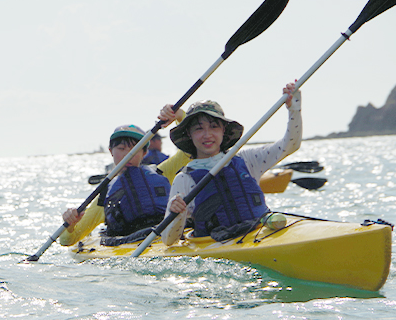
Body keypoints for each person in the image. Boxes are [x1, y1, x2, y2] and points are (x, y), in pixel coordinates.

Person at [162, 81, 302, 245]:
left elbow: (290, 145)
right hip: (212, 245)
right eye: (199, 129)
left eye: (214, 127)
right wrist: (177, 213)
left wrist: (294, 108)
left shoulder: (247, 160)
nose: (207, 135)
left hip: (258, 234)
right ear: (189, 135)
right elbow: (168, 240)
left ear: (224, 131)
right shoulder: (183, 179)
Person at [59, 107, 191, 246]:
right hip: (129, 245)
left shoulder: (161, 172)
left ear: (144, 153)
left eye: (134, 149)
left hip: (165, 238)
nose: (128, 156)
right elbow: (67, 240)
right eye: (121, 149)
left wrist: (179, 116)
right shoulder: (104, 197)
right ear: (111, 151)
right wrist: (70, 225)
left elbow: (189, 149)